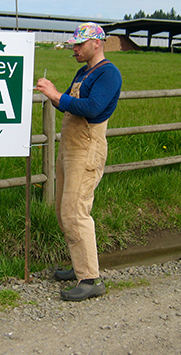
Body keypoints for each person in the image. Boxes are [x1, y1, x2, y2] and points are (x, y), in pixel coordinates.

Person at [35, 22, 122, 302]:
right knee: (64, 210)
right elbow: (68, 104)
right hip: (70, 147)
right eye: (73, 44)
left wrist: (56, 95)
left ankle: (91, 279)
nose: (74, 49)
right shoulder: (84, 72)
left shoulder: (108, 73)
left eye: (79, 44)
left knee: (75, 211)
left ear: (97, 43)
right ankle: (80, 264)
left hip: (87, 147)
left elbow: (93, 108)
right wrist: (54, 95)